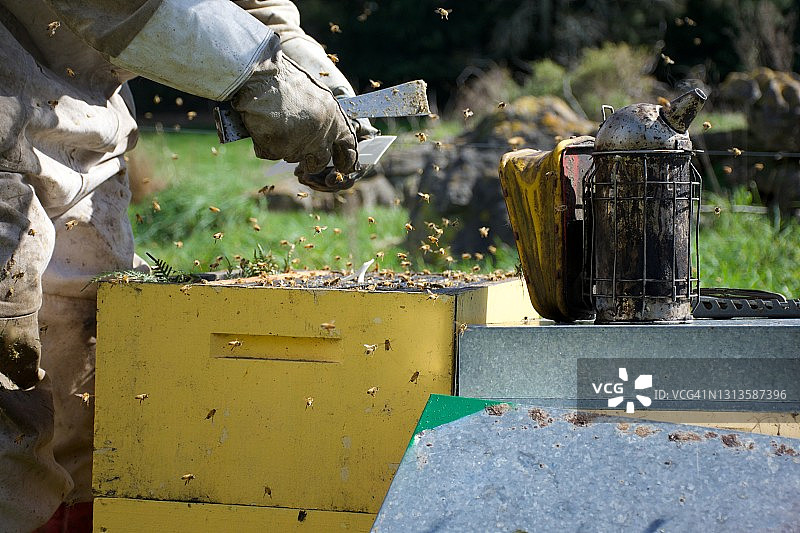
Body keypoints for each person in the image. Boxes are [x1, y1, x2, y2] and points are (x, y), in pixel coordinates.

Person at [0, 1, 373, 530]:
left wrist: (287, 46)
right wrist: (257, 75)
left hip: (86, 122)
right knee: (6, 391)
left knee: (81, 368)